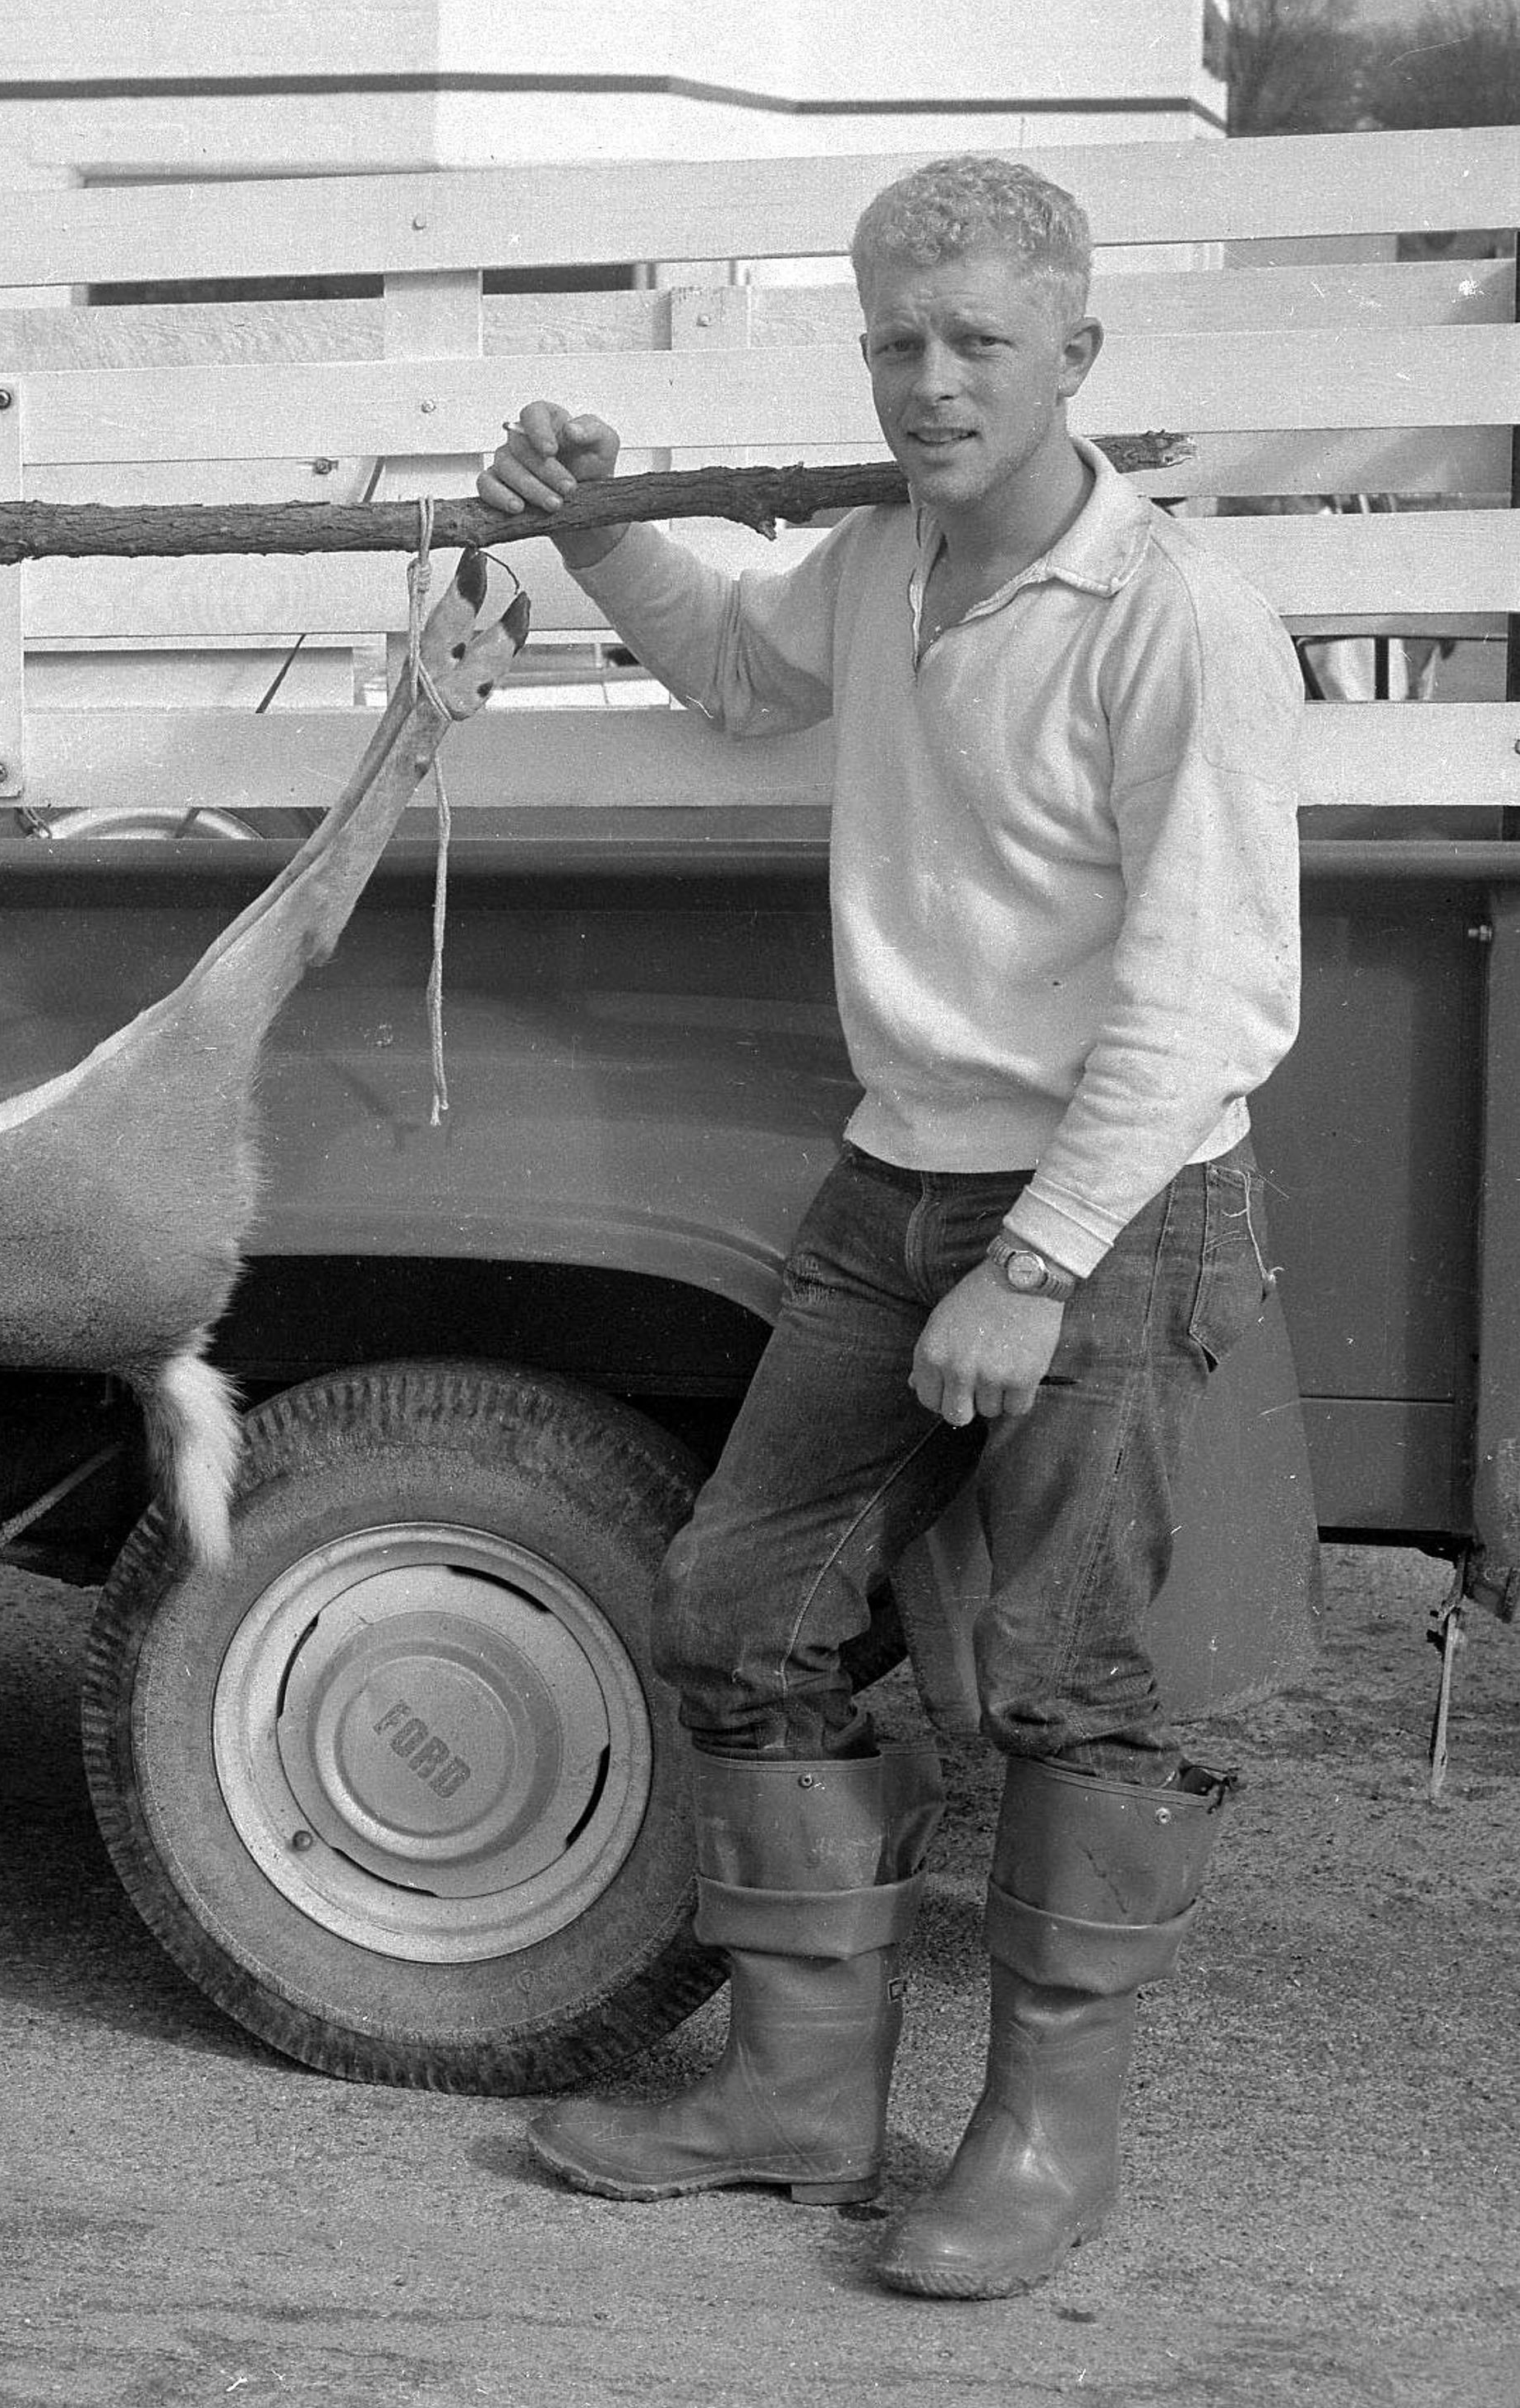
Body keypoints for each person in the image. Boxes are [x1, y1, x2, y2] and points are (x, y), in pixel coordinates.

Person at [475, 155, 1300, 2300]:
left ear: (1077, 355)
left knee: (1069, 1675)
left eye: (975, 345)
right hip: (895, 1175)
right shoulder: (880, 562)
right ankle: (797, 2090)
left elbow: (1209, 994)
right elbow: (729, 665)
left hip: (1111, 1209)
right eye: (895, 344)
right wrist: (594, 523)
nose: (928, 384)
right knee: (740, 1603)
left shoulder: (1175, 621)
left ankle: (1040, 2141)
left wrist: (1036, 1265)